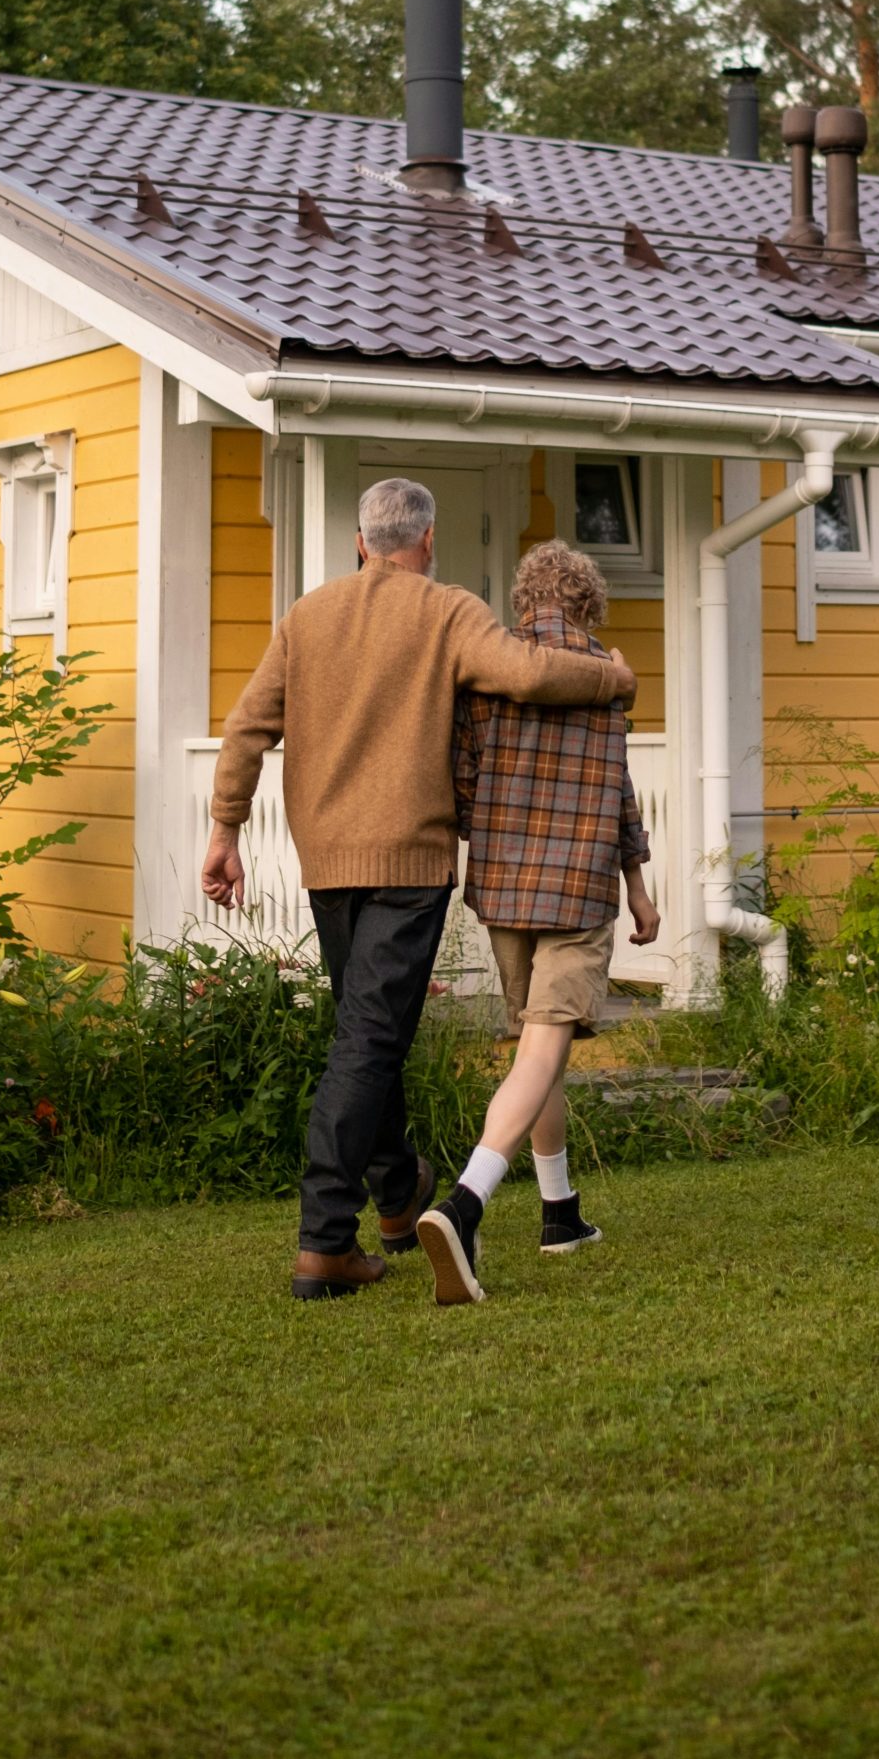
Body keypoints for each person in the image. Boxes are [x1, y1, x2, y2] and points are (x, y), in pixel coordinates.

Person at [203, 478, 637, 1301]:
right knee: (368, 1041)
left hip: (327, 862)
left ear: (362, 541)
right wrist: (612, 682)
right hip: (409, 864)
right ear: (427, 542)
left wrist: (226, 831)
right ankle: (325, 1241)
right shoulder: (448, 611)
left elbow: (246, 728)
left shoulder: (306, 617)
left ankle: (398, 1196)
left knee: (372, 1033)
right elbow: (533, 674)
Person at [417, 538, 660, 1307]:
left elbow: (460, 782)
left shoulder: (492, 675)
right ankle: (467, 1201)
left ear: (524, 602)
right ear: (590, 603)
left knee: (535, 1045)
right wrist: (639, 887)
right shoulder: (608, 680)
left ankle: (560, 1213)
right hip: (579, 887)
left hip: (507, 891)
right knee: (543, 1048)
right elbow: (618, 793)